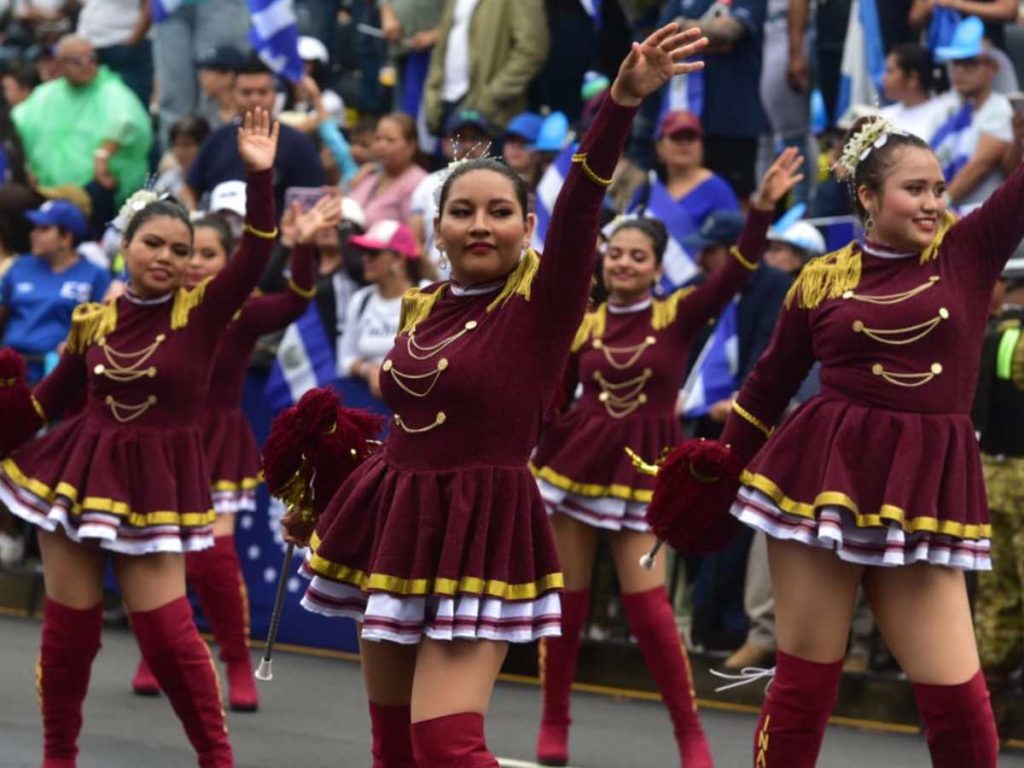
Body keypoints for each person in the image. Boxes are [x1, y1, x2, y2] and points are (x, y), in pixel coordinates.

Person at [283, 24, 709, 767]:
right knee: (392, 748)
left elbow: (581, 206)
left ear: (526, 226)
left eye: (499, 212)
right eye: (462, 212)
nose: (480, 224)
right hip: (396, 520)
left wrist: (618, 104)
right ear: (437, 230)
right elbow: (414, 422)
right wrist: (332, 491)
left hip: (480, 530)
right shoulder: (421, 305)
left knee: (446, 745)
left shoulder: (543, 306)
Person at [681, 111, 1024, 766]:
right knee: (804, 689)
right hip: (823, 480)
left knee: (961, 706)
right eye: (914, 189)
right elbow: (766, 386)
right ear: (867, 196)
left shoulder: (969, 250)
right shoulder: (820, 277)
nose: (932, 203)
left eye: (938, 188)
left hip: (924, 490)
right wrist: (718, 465)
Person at [0, 108, 280, 768]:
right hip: (81, 474)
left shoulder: (203, 312)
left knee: (168, 635)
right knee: (69, 636)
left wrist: (259, 176)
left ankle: (216, 757)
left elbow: (257, 251)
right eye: (153, 244)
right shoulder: (93, 319)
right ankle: (58, 756)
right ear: (126, 245)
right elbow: (47, 404)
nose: (168, 258)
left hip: (158, 481)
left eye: (181, 251)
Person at [529, 149, 804, 767]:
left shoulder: (677, 313)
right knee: (565, 608)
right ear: (604, 258)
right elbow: (552, 398)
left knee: (650, 613)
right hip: (575, 465)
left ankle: (690, 736)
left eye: (638, 255)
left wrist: (759, 210)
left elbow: (735, 273)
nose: (624, 262)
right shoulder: (586, 322)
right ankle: (554, 723)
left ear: (657, 267)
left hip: (641, 470)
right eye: (616, 252)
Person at [130, 198, 336, 711]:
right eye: (189, 253)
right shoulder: (155, 307)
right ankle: (159, 652)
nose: (196, 262)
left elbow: (296, 300)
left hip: (218, 443)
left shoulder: (238, 312)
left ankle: (237, 661)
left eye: (208, 253)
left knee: (213, 556)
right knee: (158, 553)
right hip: (163, 439)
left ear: (228, 264)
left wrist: (303, 244)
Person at [972, 256, 1024, 739]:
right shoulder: (1015, 338)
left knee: (997, 597)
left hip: (989, 474)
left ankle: (989, 720)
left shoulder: (984, 336)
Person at [11, 34, 153, 208]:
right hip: (45, 190)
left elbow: (128, 123)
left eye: (91, 58)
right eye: (77, 60)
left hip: (95, 191)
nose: (87, 64)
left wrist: (103, 155)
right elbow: (16, 124)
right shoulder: (46, 95)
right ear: (60, 63)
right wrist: (25, 167)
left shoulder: (112, 91)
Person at [183, 56, 325, 213]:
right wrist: (193, 213)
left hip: (277, 234)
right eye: (246, 92)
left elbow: (311, 197)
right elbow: (190, 188)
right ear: (232, 95)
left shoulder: (298, 144)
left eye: (262, 92)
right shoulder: (216, 140)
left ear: (275, 95)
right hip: (221, 231)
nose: (255, 99)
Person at [0, 199, 109, 384]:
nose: (33, 234)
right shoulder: (19, 266)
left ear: (66, 237)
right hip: (10, 368)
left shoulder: (95, 275)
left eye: (43, 229)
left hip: (59, 373)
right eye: (34, 228)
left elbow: (104, 329)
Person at [628, 110, 739, 291]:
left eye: (691, 137)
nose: (684, 144)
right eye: (676, 137)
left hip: (697, 292)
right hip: (646, 291)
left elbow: (730, 246)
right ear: (659, 145)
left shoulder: (718, 190)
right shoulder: (647, 188)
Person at [423, 0, 550, 134]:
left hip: (488, 112)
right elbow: (442, 47)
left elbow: (532, 51)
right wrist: (433, 96)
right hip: (446, 105)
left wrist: (490, 97)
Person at [933, 17, 1014, 210]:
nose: (959, 70)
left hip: (981, 219)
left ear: (992, 68)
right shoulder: (946, 110)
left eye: (970, 63)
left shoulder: (1002, 109)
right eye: (955, 62)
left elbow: (979, 166)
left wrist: (938, 206)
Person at [341, 219, 423, 404]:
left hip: (417, 406)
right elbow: (345, 360)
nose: (365, 259)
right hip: (371, 406)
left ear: (399, 259)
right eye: (364, 253)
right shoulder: (360, 300)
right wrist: (368, 370)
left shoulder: (428, 294)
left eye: (373, 253)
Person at [410, 109, 491, 275]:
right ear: (444, 143)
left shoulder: (504, 184)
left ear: (487, 144)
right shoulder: (427, 184)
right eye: (459, 139)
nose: (468, 146)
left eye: (475, 139)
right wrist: (432, 280)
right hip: (433, 283)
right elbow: (413, 240)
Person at [348, 112, 427, 227]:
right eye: (378, 139)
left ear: (411, 146)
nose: (381, 145)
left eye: (390, 140)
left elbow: (412, 235)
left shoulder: (418, 183)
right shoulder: (370, 174)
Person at [76, 0, 154, 108]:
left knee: (129, 105)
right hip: (90, 46)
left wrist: (135, 39)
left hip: (124, 45)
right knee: (91, 106)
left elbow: (150, 4)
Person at [881, 43, 952, 143]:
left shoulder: (945, 113)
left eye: (890, 71)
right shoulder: (884, 116)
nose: (884, 78)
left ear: (912, 78)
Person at [154, 116, 211, 198]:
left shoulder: (214, 179)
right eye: (176, 145)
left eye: (187, 144)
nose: (180, 151)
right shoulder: (168, 180)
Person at [195, 45, 246, 131]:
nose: (202, 76)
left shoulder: (249, 110)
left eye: (209, 70)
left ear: (228, 76)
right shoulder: (204, 116)